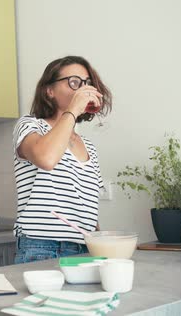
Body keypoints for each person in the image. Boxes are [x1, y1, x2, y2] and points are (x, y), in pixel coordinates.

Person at [13, 55, 112, 264]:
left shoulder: (89, 147)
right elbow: (47, 159)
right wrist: (73, 110)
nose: (82, 90)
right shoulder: (30, 126)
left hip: (84, 249)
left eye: (87, 83)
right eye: (74, 82)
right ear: (49, 91)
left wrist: (99, 242)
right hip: (42, 247)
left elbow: (86, 207)